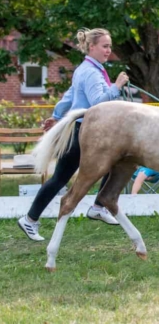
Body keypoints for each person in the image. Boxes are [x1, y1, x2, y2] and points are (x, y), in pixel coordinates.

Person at [17, 28, 130, 241]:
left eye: (110, 46)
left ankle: (32, 219)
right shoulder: (91, 73)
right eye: (105, 46)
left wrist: (57, 115)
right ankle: (97, 206)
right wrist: (116, 86)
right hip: (85, 133)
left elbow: (70, 96)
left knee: (66, 176)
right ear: (91, 47)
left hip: (79, 130)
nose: (109, 51)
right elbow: (98, 103)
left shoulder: (84, 69)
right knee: (114, 161)